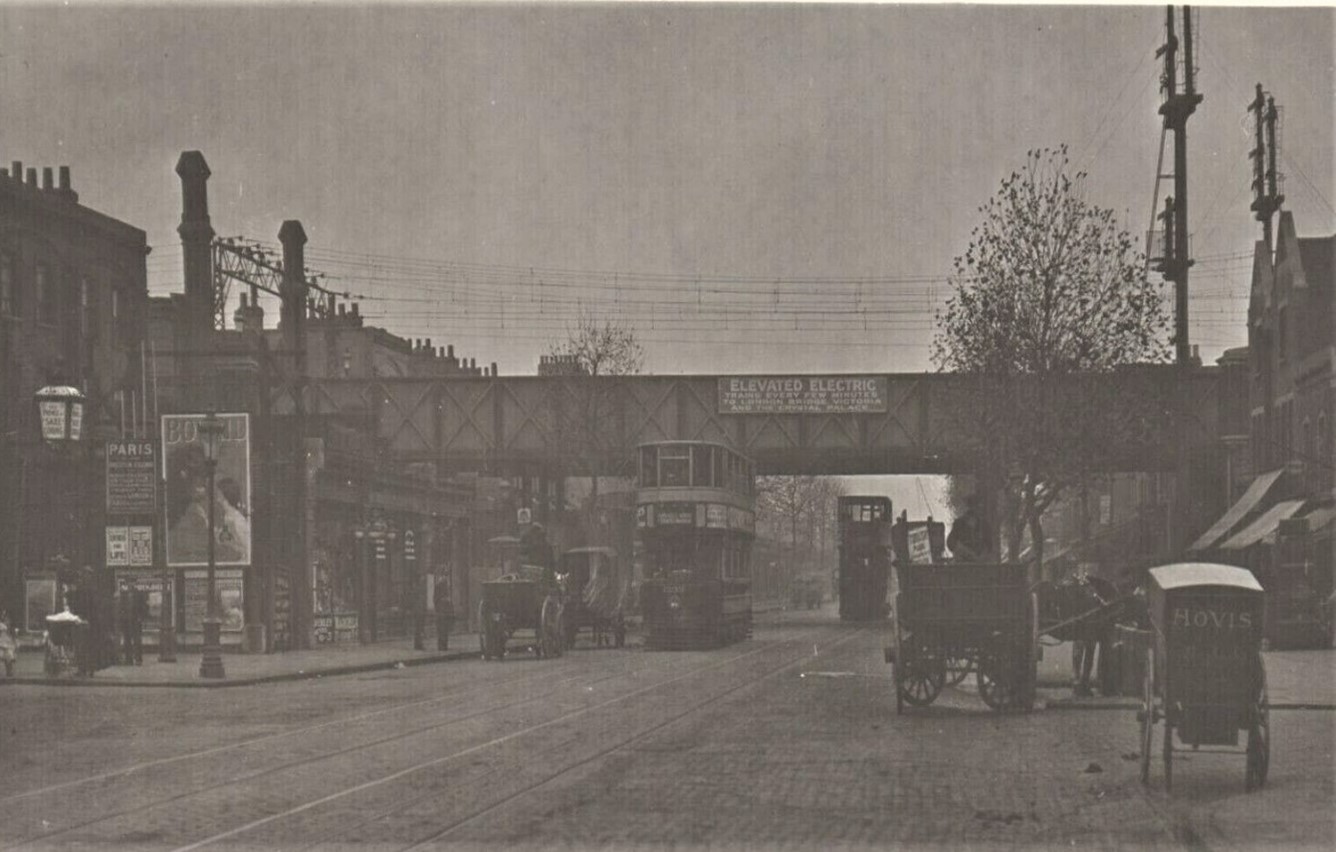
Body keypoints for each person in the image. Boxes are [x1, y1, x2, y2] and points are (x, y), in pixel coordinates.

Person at [947, 494, 993, 562]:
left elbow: (989, 545)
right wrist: (963, 551)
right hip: (962, 563)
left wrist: (982, 556)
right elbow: (950, 543)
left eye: (976, 506)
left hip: (981, 565)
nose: (974, 509)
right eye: (971, 506)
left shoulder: (984, 525)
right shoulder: (959, 524)